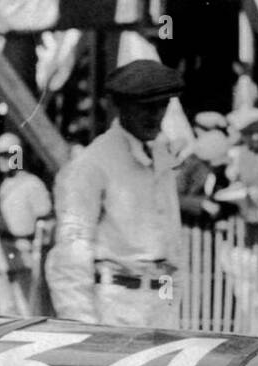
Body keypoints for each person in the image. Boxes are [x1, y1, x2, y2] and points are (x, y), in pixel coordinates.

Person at [45, 60, 186, 327]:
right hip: (114, 305)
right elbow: (71, 252)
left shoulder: (160, 156)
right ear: (121, 106)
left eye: (161, 106)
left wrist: (170, 304)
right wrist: (83, 327)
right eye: (145, 107)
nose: (154, 116)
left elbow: (169, 243)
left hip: (160, 303)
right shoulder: (93, 164)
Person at [0, 132, 52, 317]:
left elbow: (46, 221)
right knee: (5, 313)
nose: (1, 160)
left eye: (6, 154)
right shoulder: (4, 184)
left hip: (25, 255)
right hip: (1, 255)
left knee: (27, 313)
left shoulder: (32, 184)